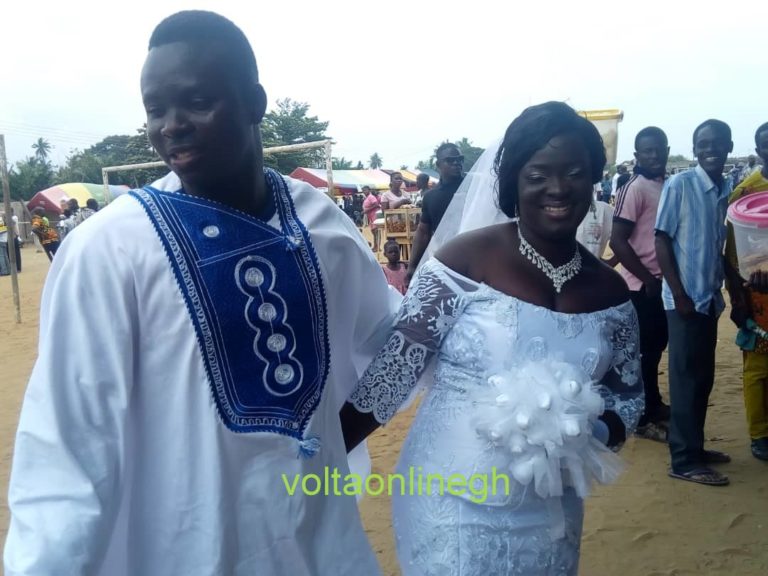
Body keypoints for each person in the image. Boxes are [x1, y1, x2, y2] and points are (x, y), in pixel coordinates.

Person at [4, 11, 399, 576]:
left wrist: (332, 436)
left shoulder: (321, 223)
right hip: (187, 548)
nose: (172, 125)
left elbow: (387, 342)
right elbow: (68, 444)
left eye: (195, 101)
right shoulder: (109, 250)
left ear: (255, 102)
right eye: (155, 110)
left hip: (322, 544)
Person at [342, 102, 644, 575]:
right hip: (451, 499)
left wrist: (587, 430)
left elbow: (628, 396)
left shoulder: (608, 288)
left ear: (593, 180)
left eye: (575, 173)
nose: (558, 188)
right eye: (539, 174)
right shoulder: (464, 262)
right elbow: (393, 374)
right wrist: (323, 451)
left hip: (551, 508)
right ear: (514, 182)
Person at [655, 119, 734, 487]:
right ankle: (684, 460)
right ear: (695, 147)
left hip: (707, 300)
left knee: (702, 378)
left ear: (729, 146)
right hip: (684, 302)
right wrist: (680, 293)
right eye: (703, 144)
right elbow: (661, 241)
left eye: (718, 143)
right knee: (686, 379)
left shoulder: (723, 189)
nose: (711, 150)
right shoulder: (681, 184)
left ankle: (695, 448)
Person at [610, 126, 672, 443]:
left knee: (655, 349)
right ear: (637, 156)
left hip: (663, 284)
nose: (654, 155)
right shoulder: (634, 188)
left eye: (658, 148)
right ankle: (643, 417)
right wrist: (647, 278)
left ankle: (654, 403)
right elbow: (618, 240)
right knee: (643, 352)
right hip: (641, 285)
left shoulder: (666, 185)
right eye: (647, 150)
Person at [724, 121, 768, 461]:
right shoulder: (746, 193)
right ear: (758, 151)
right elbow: (733, 252)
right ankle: (760, 435)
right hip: (758, 295)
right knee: (758, 366)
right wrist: (739, 296)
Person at [406, 143, 465, 283]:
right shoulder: (431, 197)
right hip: (446, 260)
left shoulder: (475, 187)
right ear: (438, 165)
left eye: (460, 159)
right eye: (450, 160)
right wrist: (412, 266)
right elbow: (423, 232)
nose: (456, 163)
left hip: (477, 258)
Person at [575, 199, 617, 265]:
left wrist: (610, 263)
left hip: (592, 271)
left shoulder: (604, 209)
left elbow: (627, 236)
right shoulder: (561, 208)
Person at [362, 185, 382, 253]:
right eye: (363, 190)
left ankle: (377, 247)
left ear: (369, 190)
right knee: (373, 232)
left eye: (365, 190)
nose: (364, 192)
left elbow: (376, 205)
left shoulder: (371, 197)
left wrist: (367, 210)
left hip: (375, 216)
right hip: (371, 216)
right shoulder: (367, 197)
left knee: (376, 232)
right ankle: (375, 246)